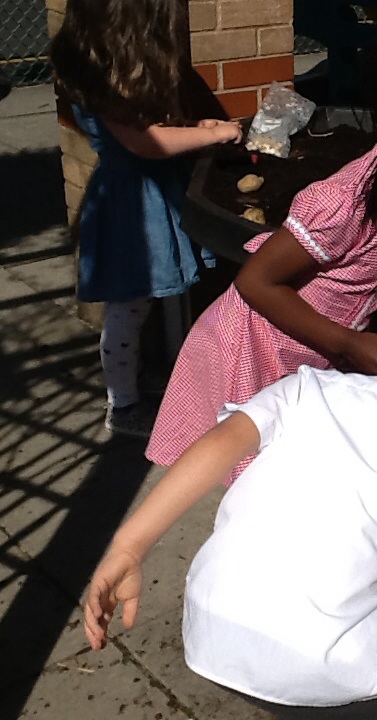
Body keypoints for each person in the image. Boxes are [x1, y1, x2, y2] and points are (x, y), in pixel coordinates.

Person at [83, 265, 377, 719]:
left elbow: (216, 448)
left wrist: (129, 547)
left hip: (212, 628)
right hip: (321, 663)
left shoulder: (313, 388)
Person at [146, 47, 377, 478]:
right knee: (259, 476)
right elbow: (255, 282)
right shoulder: (344, 205)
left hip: (315, 351)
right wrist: (346, 344)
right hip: (259, 347)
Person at [49, 0, 243, 437]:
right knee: (128, 305)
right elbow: (146, 142)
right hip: (130, 203)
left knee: (142, 302)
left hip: (145, 191)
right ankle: (122, 404)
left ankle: (133, 377)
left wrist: (193, 124)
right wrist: (214, 134)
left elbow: (153, 127)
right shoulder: (100, 75)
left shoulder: (105, 65)